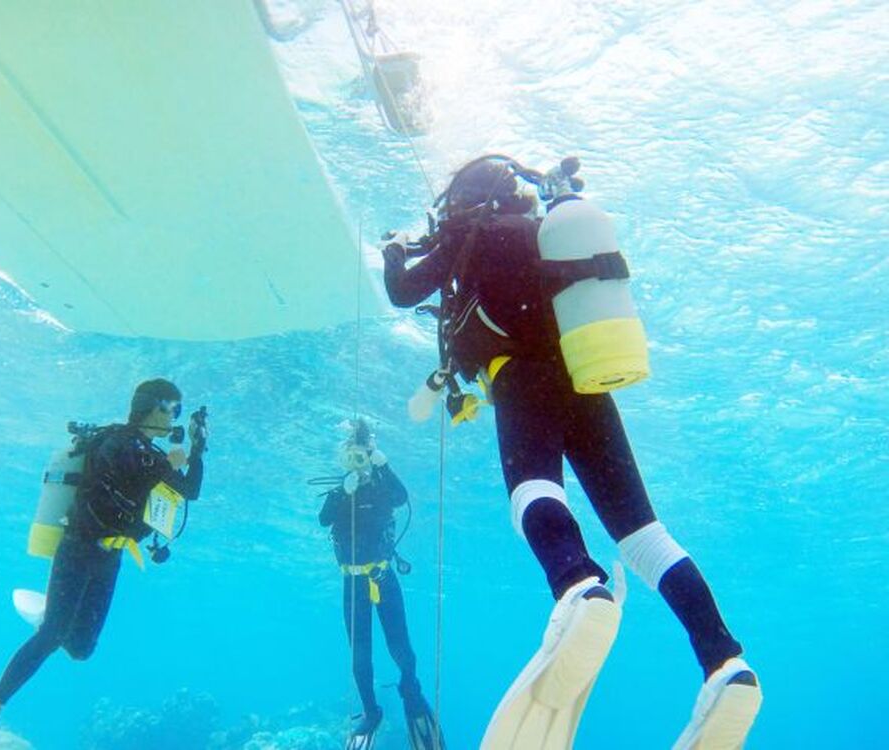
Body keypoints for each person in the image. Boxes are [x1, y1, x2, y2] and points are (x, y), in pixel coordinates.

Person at [382, 155, 762, 750]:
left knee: (532, 491)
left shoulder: (466, 235)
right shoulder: (546, 232)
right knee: (644, 535)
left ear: (462, 202)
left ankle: (578, 584)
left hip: (520, 376)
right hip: (587, 378)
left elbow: (403, 292)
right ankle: (725, 663)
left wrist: (394, 251)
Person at [0, 379, 207, 749]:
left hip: (111, 557)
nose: (174, 418)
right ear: (154, 407)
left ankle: (51, 612)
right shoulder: (115, 442)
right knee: (51, 636)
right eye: (173, 409)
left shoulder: (150, 454)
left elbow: (189, 490)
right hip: (79, 549)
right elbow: (138, 475)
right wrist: (172, 461)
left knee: (81, 650)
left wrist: (197, 448)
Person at [318, 418, 445, 750]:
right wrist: (341, 492)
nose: (356, 464)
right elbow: (323, 519)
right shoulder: (339, 492)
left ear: (370, 456)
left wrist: (383, 465)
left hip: (382, 576)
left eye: (361, 457)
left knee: (399, 644)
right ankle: (371, 711)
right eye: (350, 457)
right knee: (360, 653)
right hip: (352, 582)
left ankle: (410, 690)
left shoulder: (381, 486)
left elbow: (401, 497)